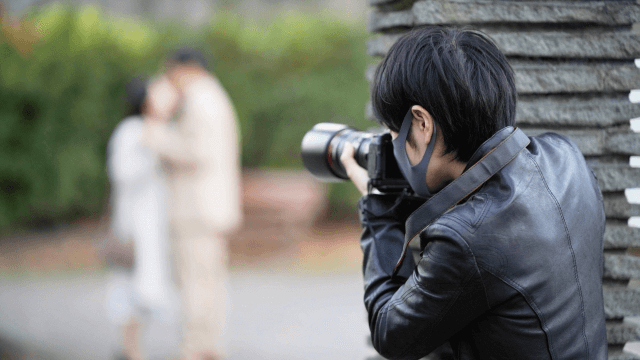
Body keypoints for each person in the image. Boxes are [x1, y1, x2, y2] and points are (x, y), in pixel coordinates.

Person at [340, 27, 607, 359]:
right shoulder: (566, 156)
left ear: (421, 123)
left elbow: (389, 333)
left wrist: (378, 207)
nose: (394, 148)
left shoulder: (465, 240)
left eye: (394, 135)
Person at [143, 49, 242, 360]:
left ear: (184, 69)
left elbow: (195, 151)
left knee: (195, 285)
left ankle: (194, 350)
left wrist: (156, 128)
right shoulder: (215, 96)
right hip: (211, 208)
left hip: (196, 210)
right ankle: (209, 346)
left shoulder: (200, 99)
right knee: (210, 282)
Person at [107, 78, 174, 360]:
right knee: (131, 289)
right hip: (134, 224)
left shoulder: (151, 130)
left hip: (151, 221)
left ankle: (133, 349)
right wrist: (152, 157)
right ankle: (131, 350)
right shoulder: (131, 131)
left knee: (145, 288)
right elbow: (122, 173)